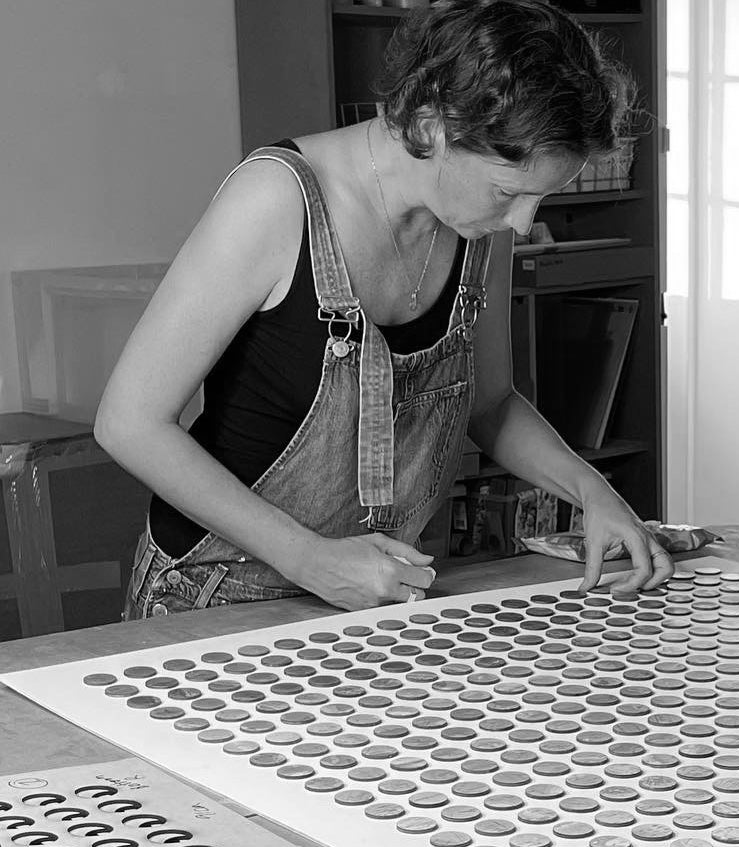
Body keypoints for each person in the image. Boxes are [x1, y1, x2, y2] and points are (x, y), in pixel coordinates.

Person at [95, 0, 673, 619]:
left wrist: (592, 490)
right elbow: (130, 423)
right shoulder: (275, 200)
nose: (525, 223)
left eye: (539, 197)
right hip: (213, 593)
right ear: (430, 127)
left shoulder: (482, 225)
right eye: (510, 192)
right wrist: (309, 558)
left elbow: (491, 403)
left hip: (378, 591)